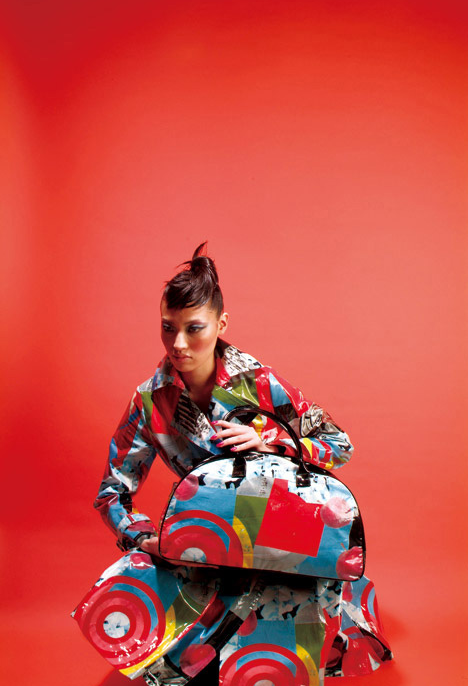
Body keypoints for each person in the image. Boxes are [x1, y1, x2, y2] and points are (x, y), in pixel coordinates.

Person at [94, 243, 392, 685]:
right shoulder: (149, 401)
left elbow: (338, 444)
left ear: (221, 324)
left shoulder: (259, 382)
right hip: (201, 547)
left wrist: (271, 441)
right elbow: (112, 494)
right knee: (129, 600)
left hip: (277, 543)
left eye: (194, 328)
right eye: (167, 328)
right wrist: (149, 538)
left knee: (273, 659)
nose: (178, 344)